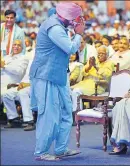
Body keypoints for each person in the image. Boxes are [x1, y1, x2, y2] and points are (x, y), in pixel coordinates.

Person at [29, 2, 85, 161]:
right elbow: (70, 48)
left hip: (59, 75)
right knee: (49, 115)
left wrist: (75, 30)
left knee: (67, 112)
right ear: (67, 17)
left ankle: (61, 149)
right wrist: (79, 34)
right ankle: (41, 152)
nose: (77, 22)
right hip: (46, 76)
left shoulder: (61, 24)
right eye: (75, 19)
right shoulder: (53, 27)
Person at [71, 45, 114, 112]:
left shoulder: (110, 63)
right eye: (99, 53)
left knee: (76, 91)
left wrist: (96, 66)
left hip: (98, 86)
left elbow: (107, 76)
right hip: (84, 83)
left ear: (107, 55)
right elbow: (83, 72)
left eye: (102, 53)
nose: (100, 55)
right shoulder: (93, 60)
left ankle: (77, 112)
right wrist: (90, 66)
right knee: (68, 90)